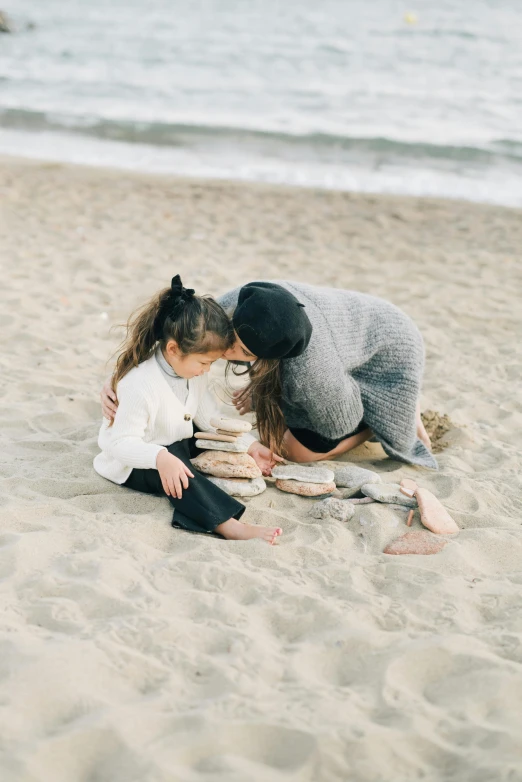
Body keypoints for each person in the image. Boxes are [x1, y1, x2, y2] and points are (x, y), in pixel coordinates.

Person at [102, 280, 436, 470]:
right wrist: (122, 377)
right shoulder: (232, 307)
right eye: (230, 336)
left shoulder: (312, 375)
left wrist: (265, 391)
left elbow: (339, 422)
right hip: (352, 325)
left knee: (292, 450)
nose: (225, 349)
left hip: (392, 345)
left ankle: (380, 419)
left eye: (244, 354)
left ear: (270, 359)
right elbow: (178, 334)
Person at [94, 275, 282, 544]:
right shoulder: (139, 384)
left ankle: (183, 467)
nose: (207, 370)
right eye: (204, 363)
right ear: (173, 349)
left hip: (175, 440)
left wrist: (250, 446)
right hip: (135, 460)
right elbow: (120, 444)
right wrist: (160, 458)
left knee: (193, 447)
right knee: (181, 474)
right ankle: (227, 524)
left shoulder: (192, 372)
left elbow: (208, 420)